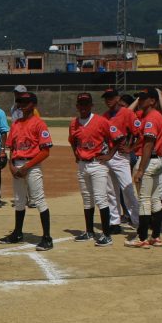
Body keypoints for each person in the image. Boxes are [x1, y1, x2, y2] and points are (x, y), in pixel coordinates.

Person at [0, 91, 54, 251]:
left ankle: (47, 238)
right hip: (17, 166)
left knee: (39, 199)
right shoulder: (15, 124)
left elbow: (45, 151)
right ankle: (17, 233)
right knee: (19, 200)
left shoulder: (39, 124)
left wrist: (26, 167)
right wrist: (11, 165)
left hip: (32, 165)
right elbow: (12, 147)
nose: (21, 104)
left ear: (33, 105)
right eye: (20, 102)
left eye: (25, 102)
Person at [68, 92, 114, 246]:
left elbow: (118, 138)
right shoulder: (74, 123)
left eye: (86, 104)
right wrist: (76, 153)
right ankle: (89, 231)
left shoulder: (101, 121)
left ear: (91, 106)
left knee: (101, 198)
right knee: (87, 199)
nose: (83, 107)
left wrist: (109, 155)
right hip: (82, 164)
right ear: (77, 106)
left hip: (97, 164)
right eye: (81, 104)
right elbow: (73, 140)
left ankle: (107, 235)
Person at [128, 88, 162, 247]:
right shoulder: (156, 116)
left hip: (149, 162)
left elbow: (148, 144)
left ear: (152, 101)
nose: (140, 101)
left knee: (144, 200)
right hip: (157, 161)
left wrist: (140, 170)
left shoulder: (151, 118)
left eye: (143, 98)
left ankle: (142, 238)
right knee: (155, 200)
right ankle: (156, 236)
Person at [101, 88, 140, 239]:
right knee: (111, 191)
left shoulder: (127, 113)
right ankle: (114, 222)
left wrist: (131, 148)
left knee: (127, 189)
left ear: (118, 98)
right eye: (106, 98)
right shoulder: (105, 116)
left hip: (120, 156)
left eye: (111, 97)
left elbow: (139, 133)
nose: (108, 100)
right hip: (107, 155)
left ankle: (137, 221)